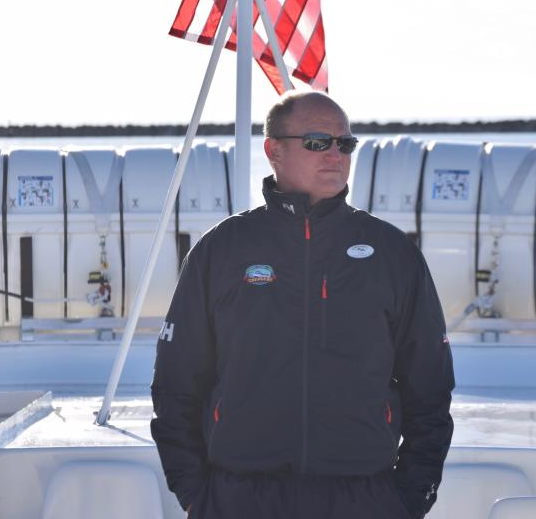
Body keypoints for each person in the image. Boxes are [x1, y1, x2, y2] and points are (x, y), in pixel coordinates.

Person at [150, 91, 454, 518]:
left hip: (364, 500)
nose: (335, 154)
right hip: (239, 499)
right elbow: (176, 383)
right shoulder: (221, 250)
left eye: (345, 144)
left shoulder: (391, 253)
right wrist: (196, 493)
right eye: (317, 142)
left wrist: (408, 498)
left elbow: (431, 388)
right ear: (273, 150)